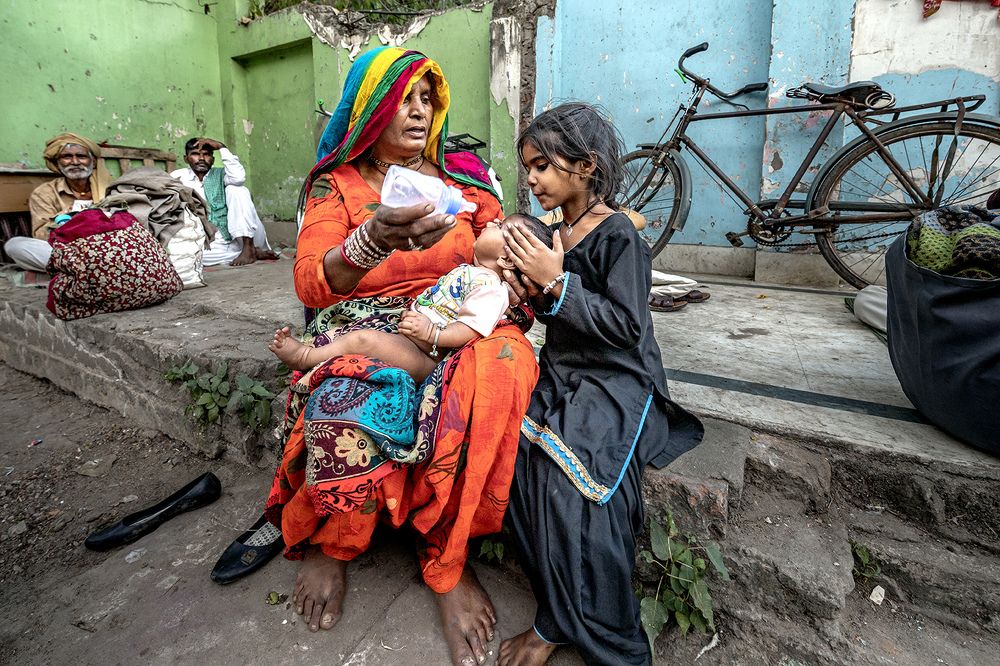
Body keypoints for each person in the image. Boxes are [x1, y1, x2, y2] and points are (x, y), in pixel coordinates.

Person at [214, 47, 539, 666]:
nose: (419, 113)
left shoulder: (463, 181)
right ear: (370, 110)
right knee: (346, 391)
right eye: (403, 99)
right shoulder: (337, 186)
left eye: (427, 99)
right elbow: (312, 282)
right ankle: (334, 541)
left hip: (454, 318)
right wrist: (372, 240)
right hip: (366, 321)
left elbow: (509, 246)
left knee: (504, 364)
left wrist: (526, 272)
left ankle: (446, 557)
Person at [497, 103, 703, 666]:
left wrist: (556, 284)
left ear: (585, 166)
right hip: (567, 373)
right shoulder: (555, 235)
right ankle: (559, 607)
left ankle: (588, 628)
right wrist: (531, 292)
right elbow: (555, 315)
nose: (532, 179)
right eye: (527, 168)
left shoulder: (619, 237)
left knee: (575, 484)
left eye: (542, 165)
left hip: (620, 379)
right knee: (513, 464)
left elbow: (627, 326)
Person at [268, 214, 550, 385]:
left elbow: (471, 328)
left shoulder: (491, 289)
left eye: (500, 226)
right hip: (416, 337)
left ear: (504, 258)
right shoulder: (476, 272)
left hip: (429, 356)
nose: (492, 221)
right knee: (363, 338)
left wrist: (432, 333)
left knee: (364, 342)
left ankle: (306, 357)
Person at [3, 133, 111, 272]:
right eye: (67, 157)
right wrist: (70, 221)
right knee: (15, 245)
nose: (75, 162)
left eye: (81, 156)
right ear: (57, 163)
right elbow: (41, 234)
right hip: (69, 251)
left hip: (107, 248)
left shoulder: (110, 188)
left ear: (93, 162)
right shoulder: (44, 193)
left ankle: (87, 270)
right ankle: (94, 270)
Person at [170, 138, 277, 266]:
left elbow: (238, 178)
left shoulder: (222, 174)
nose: (202, 158)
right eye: (195, 154)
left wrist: (222, 147)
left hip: (243, 235)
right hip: (213, 240)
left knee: (237, 190)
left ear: (213, 159)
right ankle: (251, 253)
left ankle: (249, 247)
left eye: (207, 154)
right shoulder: (179, 177)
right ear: (186, 158)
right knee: (191, 258)